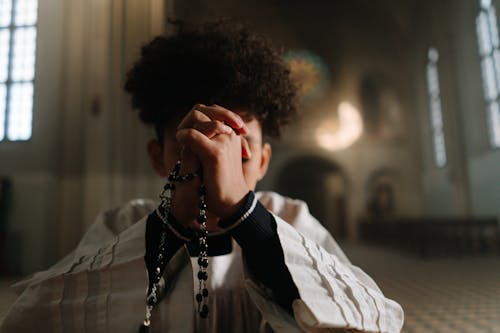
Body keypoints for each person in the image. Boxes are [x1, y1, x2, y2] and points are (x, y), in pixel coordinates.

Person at [0, 20, 404, 333]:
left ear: (263, 161)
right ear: (158, 157)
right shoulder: (123, 224)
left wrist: (247, 217)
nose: (215, 171)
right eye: (193, 151)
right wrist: (171, 222)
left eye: (238, 154)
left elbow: (370, 318)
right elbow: (34, 319)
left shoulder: (289, 218)